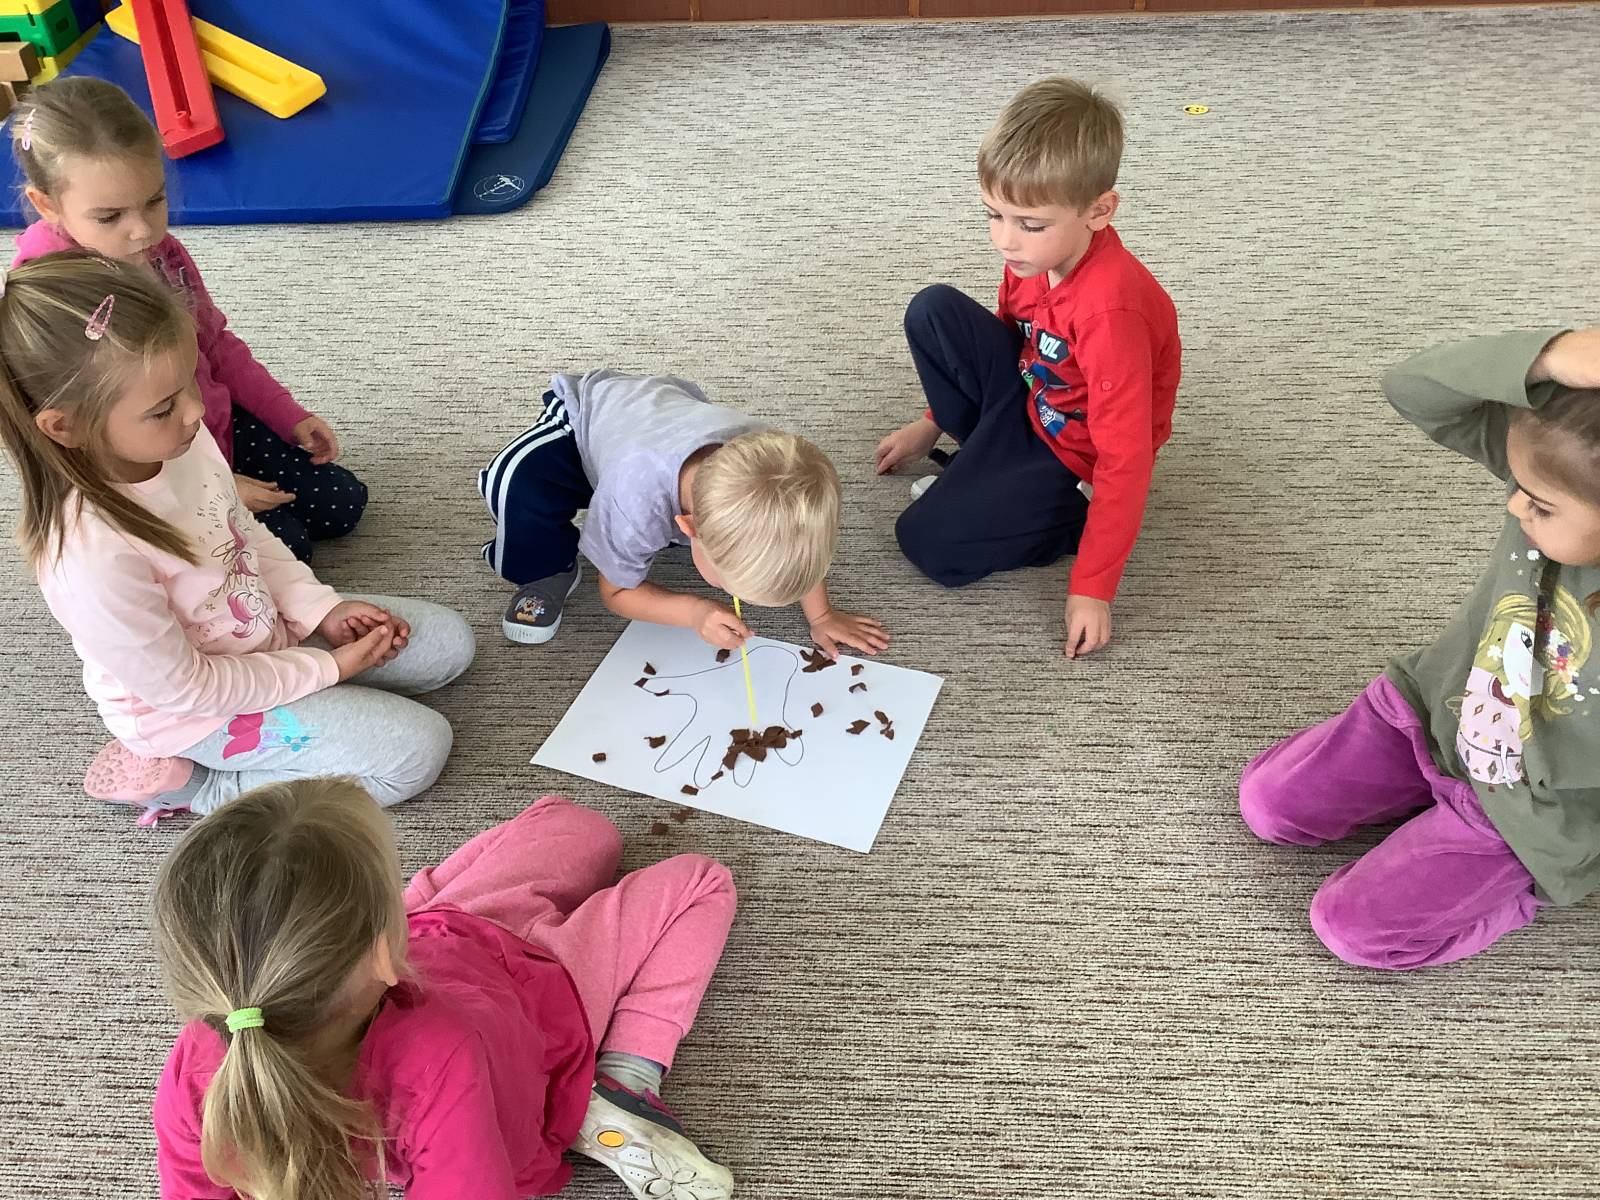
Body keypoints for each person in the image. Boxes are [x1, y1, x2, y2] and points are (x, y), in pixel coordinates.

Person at [0, 252, 473, 820]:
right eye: (163, 407)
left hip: (264, 635)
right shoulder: (89, 557)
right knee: (416, 753)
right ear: (66, 427)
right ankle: (200, 789)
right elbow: (188, 689)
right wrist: (329, 669)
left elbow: (242, 534)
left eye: (189, 383)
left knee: (448, 645)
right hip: (197, 712)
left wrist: (320, 608)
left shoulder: (180, 440)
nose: (196, 411)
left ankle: (320, 695)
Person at [152, 779, 738, 1200]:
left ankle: (410, 908)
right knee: (700, 881)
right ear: (383, 951)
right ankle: (623, 1079)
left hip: (446, 937)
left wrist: (403, 913)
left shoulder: (198, 1057)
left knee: (579, 826)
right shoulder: (440, 1054)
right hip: (538, 997)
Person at [1241, 327, 1600, 969]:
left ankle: (1518, 892)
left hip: (1527, 807)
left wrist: (1557, 851)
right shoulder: (1558, 468)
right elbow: (1414, 389)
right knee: (1270, 805)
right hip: (1431, 706)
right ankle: (1424, 793)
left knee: (1351, 930)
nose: (1515, 506)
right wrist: (1549, 355)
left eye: (1541, 507)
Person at [875, 76, 1180, 658]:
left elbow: (1126, 458)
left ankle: (1065, 520)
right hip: (1033, 394)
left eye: (1029, 224)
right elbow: (1012, 337)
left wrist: (1093, 587)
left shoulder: (1110, 315)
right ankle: (987, 466)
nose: (1005, 242)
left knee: (927, 543)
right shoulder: (1033, 261)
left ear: (1099, 211)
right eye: (994, 215)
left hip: (1075, 457)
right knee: (933, 309)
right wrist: (931, 421)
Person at [10, 77, 367, 562]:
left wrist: (287, 414)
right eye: (110, 217)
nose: (142, 230)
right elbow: (95, 449)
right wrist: (214, 487)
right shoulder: (53, 307)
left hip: (208, 423)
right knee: (288, 549)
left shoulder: (162, 253)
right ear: (46, 204)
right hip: (150, 472)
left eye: (154, 201)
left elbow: (216, 345)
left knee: (342, 503)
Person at [480, 369, 889, 657]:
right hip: (585, 421)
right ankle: (550, 570)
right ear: (687, 526)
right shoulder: (634, 500)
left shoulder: (780, 462)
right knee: (515, 485)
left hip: (667, 423)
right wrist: (695, 612)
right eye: (729, 585)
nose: (731, 595)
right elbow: (617, 592)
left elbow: (796, 538)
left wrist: (822, 615)